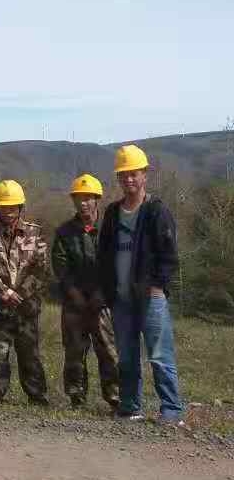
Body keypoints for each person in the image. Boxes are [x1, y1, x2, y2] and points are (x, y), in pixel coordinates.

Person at [97, 145, 184, 425]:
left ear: (145, 174)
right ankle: (130, 407)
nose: (128, 180)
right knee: (127, 356)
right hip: (121, 299)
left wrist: (158, 285)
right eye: (123, 175)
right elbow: (103, 254)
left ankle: (171, 410)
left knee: (160, 355)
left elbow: (169, 255)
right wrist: (108, 291)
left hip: (150, 298)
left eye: (133, 174)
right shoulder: (112, 213)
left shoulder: (156, 211)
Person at [0, 180, 50, 405]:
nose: (8, 212)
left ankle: (37, 396)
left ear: (20, 207)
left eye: (13, 207)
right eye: (4, 207)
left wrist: (23, 293)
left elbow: (42, 270)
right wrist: (4, 292)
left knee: (30, 354)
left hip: (27, 307)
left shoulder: (36, 233)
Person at [51, 174, 119, 410]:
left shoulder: (110, 230)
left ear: (97, 200)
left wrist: (102, 293)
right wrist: (74, 293)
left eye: (88, 198)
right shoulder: (64, 232)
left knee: (109, 352)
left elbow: (114, 264)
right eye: (79, 199)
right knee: (74, 352)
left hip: (103, 302)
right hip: (74, 303)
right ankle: (76, 397)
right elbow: (60, 266)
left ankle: (114, 397)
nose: (83, 203)